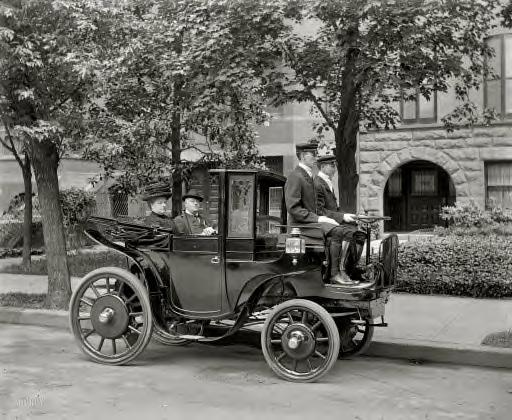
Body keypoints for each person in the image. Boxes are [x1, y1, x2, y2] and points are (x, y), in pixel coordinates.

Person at [284, 143, 371, 288]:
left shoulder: (307, 175)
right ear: (303, 156)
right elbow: (294, 209)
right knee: (339, 231)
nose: (315, 157)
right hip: (299, 227)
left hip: (308, 223)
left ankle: (342, 272)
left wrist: (325, 217)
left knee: (347, 231)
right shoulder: (296, 176)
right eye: (313, 154)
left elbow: (315, 207)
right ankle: (335, 274)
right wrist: (318, 218)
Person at [315, 154, 366, 280]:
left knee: (360, 235)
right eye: (332, 165)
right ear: (322, 167)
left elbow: (334, 209)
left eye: (335, 165)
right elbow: (319, 211)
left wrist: (348, 216)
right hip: (324, 223)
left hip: (332, 220)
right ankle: (339, 271)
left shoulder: (326, 182)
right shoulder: (317, 184)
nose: (335, 168)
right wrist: (342, 216)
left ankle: (350, 269)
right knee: (348, 233)